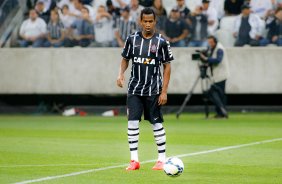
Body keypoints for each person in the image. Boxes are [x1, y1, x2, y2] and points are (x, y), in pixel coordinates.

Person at [116, 7, 173, 170]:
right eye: (145, 21)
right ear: (140, 22)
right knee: (132, 123)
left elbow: (167, 67)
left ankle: (161, 159)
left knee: (156, 124)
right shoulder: (132, 39)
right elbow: (125, 59)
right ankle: (134, 160)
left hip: (153, 91)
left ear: (155, 22)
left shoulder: (162, 41)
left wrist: (164, 91)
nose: (148, 24)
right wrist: (120, 74)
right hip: (134, 89)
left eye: (151, 21)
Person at [199, 35, 229, 118]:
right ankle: (221, 113)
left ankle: (222, 112)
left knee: (216, 93)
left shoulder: (219, 49)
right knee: (218, 95)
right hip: (216, 76)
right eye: (209, 42)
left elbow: (218, 60)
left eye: (211, 42)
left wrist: (206, 59)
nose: (210, 44)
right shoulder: (212, 49)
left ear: (215, 41)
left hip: (221, 75)